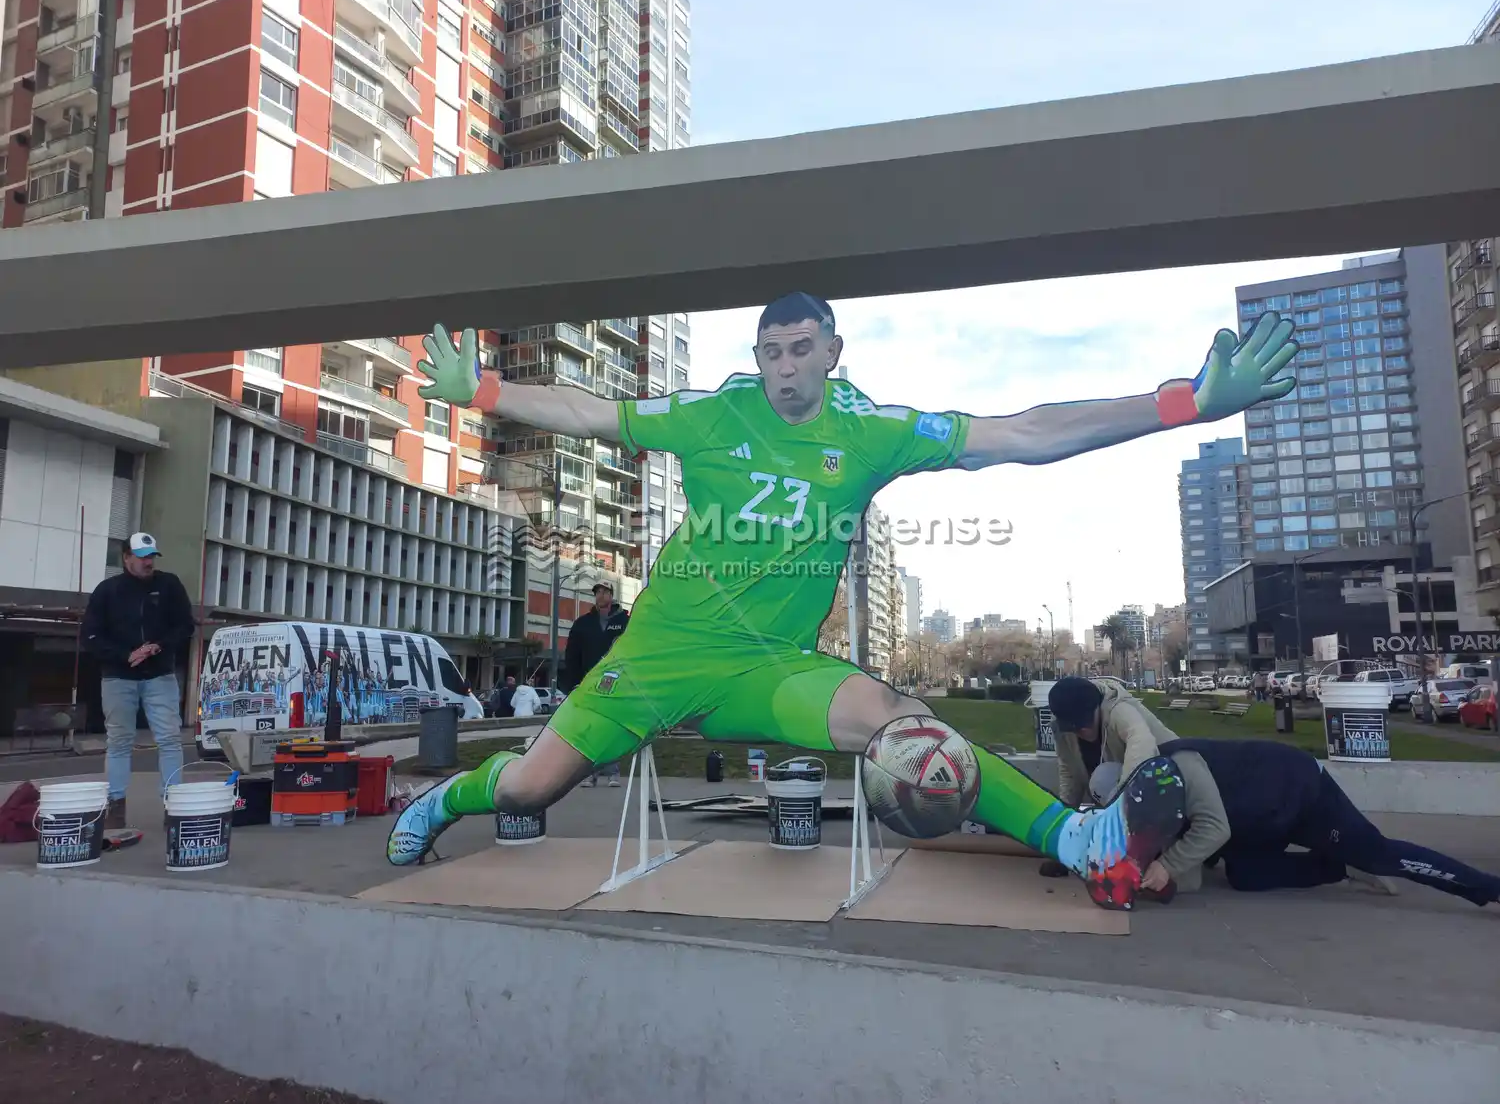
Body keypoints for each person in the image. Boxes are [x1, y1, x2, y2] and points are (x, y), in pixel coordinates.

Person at [388, 294, 1299, 910]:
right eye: (770, 352)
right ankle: (445, 799)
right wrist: (489, 392)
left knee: (906, 723)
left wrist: (1180, 403)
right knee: (529, 786)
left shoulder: (868, 431)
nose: (785, 368)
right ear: (758, 358)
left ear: (832, 351)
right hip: (655, 661)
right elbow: (592, 410)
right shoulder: (712, 416)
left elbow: (1022, 432)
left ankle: (1083, 839)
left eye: (801, 350)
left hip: (769, 670)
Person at [1138, 738, 1500, 907]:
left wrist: (1166, 867)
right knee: (1246, 877)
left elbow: (1213, 830)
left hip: (1301, 792)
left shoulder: (1180, 768)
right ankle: (1340, 866)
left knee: (1379, 854)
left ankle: (1486, 888)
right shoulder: (1155, 787)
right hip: (1255, 816)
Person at [81, 532, 195, 829]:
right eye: (142, 557)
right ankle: (116, 806)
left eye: (152, 557)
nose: (148, 563)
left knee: (170, 739)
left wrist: (157, 646)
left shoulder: (168, 585)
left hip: (160, 674)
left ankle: (174, 803)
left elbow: (185, 625)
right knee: (119, 741)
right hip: (118, 676)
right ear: (127, 557)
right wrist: (125, 655)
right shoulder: (107, 590)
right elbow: (91, 635)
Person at [1035, 675, 1180, 886]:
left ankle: (1149, 856)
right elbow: (1069, 775)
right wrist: (1064, 826)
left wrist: (1122, 804)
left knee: (1103, 777)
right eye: (1074, 726)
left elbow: (1142, 741)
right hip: (1122, 800)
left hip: (1166, 788)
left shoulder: (1118, 709)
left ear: (1097, 708)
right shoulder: (1063, 730)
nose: (1081, 731)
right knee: (1100, 783)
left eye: (1084, 723)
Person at [565, 582, 630, 788]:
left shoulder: (624, 622)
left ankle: (612, 772)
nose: (600, 596)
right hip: (588, 683)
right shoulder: (583, 623)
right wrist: (573, 683)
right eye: (597, 593)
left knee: (610, 728)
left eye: (604, 592)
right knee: (589, 729)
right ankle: (589, 773)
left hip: (615, 682)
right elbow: (572, 655)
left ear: (612, 595)